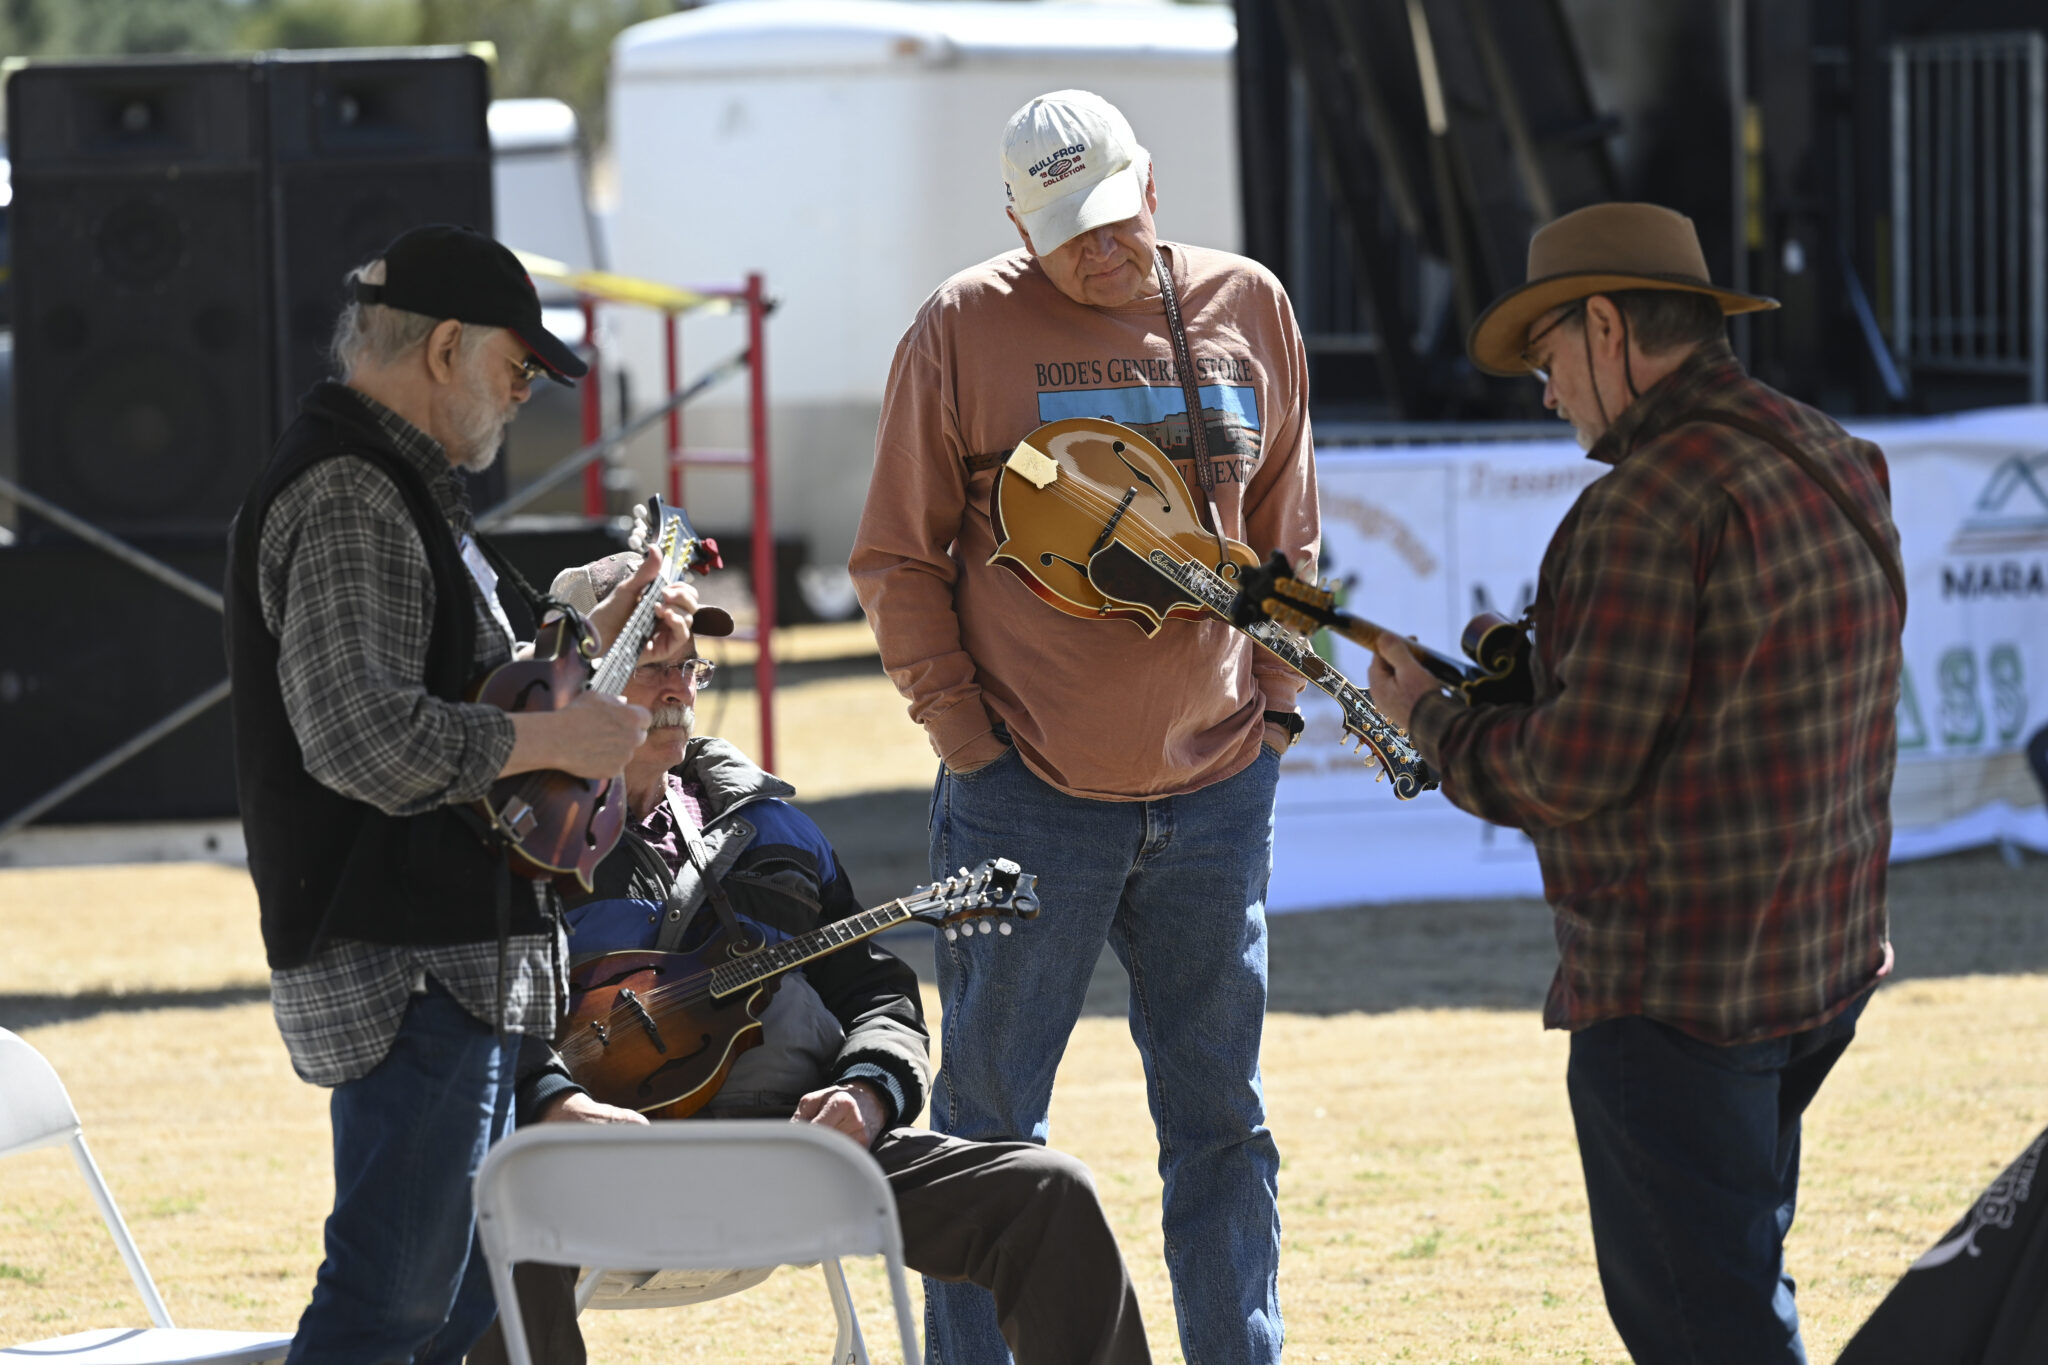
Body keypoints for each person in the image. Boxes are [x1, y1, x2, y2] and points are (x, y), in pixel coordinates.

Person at [1368, 201, 1904, 1365]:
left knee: (1701, 1327)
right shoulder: (1831, 452)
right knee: (1738, 1284)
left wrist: (1428, 719)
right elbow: (1712, 707)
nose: (1545, 390)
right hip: (1816, 962)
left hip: (1679, 997)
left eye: (1549, 355)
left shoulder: (1641, 506)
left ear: (1606, 327)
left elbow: (1566, 772)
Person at [848, 90, 1318, 1364]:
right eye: (1063, 230)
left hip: (1217, 787)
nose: (1095, 249)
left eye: (1112, 216)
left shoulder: (1249, 305)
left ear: (1151, 184)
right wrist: (966, 742)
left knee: (1222, 1118)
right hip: (1024, 798)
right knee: (986, 1131)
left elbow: (1284, 531)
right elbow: (895, 556)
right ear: (1015, 218)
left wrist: (1272, 712)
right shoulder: (961, 327)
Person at [464, 551, 1153, 1365]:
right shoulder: (512, 836)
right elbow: (469, 1007)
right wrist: (552, 1106)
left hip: (792, 1158)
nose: (679, 688)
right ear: (571, 678)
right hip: (597, 1168)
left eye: (689, 665)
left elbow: (877, 989)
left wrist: (867, 1090)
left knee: (1049, 1191)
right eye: (652, 665)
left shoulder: (772, 828)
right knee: (483, 1203)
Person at [224, 224, 702, 1365]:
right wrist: (551, 732)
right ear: (445, 347)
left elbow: (443, 685)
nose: (526, 394)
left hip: (445, 958)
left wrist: (581, 646)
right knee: (394, 1308)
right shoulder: (351, 492)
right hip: (413, 966)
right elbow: (360, 737)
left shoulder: (387, 482)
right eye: (517, 366)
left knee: (454, 1311)